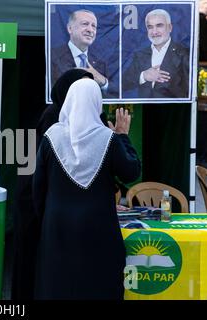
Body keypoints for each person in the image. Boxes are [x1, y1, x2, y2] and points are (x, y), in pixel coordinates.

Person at [33, 78, 141, 299]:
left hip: (58, 225)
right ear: (96, 103)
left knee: (58, 283)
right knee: (98, 282)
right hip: (98, 226)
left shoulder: (51, 137)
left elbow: (38, 188)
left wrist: (45, 219)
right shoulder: (108, 138)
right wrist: (123, 136)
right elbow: (131, 172)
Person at [11, 68, 94, 300]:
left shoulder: (70, 116)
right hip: (33, 198)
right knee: (32, 259)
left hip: (41, 194)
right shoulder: (54, 115)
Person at [123, 9, 189, 98]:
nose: (154, 32)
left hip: (172, 110)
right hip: (144, 109)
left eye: (159, 26)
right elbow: (124, 83)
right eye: (150, 27)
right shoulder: (140, 55)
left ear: (170, 27)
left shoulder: (184, 53)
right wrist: (143, 76)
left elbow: (189, 89)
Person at [51, 10, 110, 95]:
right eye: (85, 24)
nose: (90, 30)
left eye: (94, 26)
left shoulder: (101, 60)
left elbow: (115, 92)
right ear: (70, 28)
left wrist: (103, 82)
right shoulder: (53, 56)